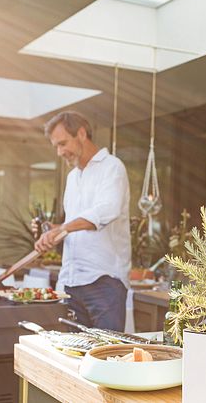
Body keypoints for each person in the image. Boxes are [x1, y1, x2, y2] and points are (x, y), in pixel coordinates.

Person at [34, 111, 131, 331]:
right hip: (71, 282)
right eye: (56, 147)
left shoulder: (112, 167)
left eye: (63, 143)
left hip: (104, 283)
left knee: (106, 359)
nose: (60, 152)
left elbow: (106, 210)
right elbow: (74, 225)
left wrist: (64, 228)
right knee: (74, 357)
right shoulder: (73, 177)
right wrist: (52, 230)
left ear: (81, 133)